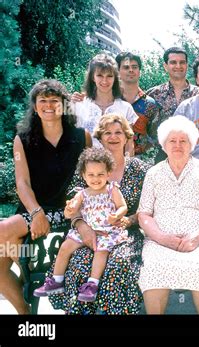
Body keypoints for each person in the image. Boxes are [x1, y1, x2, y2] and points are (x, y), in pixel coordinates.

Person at [0, 79, 91, 314]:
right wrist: (36, 212)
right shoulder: (23, 140)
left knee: (2, 233)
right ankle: (25, 312)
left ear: (64, 105)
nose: (49, 105)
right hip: (33, 210)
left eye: (54, 100)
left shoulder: (82, 137)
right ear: (35, 106)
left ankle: (26, 273)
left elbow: (89, 179)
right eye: (43, 101)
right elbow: (22, 182)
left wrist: (78, 207)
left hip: (67, 211)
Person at [47, 113, 151, 314]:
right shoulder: (89, 165)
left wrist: (129, 219)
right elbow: (73, 198)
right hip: (89, 232)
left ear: (127, 136)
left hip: (124, 235)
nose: (113, 137)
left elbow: (149, 206)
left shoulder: (140, 169)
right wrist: (81, 225)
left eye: (118, 132)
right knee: (80, 262)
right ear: (100, 138)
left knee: (118, 264)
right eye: (107, 133)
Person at [137, 115, 199, 314]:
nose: (178, 145)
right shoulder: (153, 173)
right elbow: (144, 214)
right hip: (159, 240)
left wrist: (198, 235)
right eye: (172, 141)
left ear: (192, 144)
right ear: (164, 145)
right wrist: (162, 238)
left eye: (183, 141)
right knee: (154, 267)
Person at [34, 147, 128, 302]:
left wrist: (117, 215)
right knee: (65, 247)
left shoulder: (112, 190)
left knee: (101, 251)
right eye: (91, 174)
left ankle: (92, 285)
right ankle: (56, 281)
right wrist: (69, 209)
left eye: (100, 174)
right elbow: (68, 213)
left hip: (107, 231)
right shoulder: (82, 194)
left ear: (108, 174)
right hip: (86, 230)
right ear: (84, 175)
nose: (95, 178)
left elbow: (123, 206)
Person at [72, 53, 138, 153]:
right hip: (87, 166)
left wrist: (127, 167)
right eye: (100, 75)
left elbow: (129, 146)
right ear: (93, 77)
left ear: (115, 78)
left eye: (109, 76)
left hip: (117, 166)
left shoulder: (125, 108)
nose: (104, 80)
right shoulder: (79, 106)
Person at [147, 47, 199, 162]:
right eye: (173, 62)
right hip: (161, 156)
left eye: (182, 62)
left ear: (187, 65)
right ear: (165, 66)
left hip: (194, 156)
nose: (178, 66)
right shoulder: (153, 94)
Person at [115, 52, 160, 157]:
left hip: (139, 162)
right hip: (109, 162)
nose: (131, 70)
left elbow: (155, 137)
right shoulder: (109, 100)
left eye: (134, 67)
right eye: (126, 67)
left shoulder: (150, 104)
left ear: (139, 71)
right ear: (118, 72)